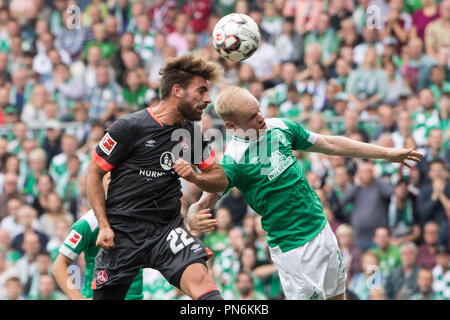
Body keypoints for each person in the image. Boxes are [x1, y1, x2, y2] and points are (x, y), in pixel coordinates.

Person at [188, 85, 424, 300]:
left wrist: (387, 153)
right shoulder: (233, 160)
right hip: (292, 249)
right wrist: (192, 214)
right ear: (230, 126)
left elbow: (331, 144)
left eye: (258, 109)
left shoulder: (280, 127)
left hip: (322, 231)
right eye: (252, 117)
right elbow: (204, 201)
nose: (261, 118)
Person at [85, 54, 228, 300]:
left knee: (205, 286)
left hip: (166, 230)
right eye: (202, 90)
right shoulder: (129, 126)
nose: (207, 99)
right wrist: (104, 226)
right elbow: (93, 174)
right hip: (122, 232)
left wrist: (195, 178)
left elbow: (220, 179)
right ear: (177, 90)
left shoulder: (189, 133)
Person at [52, 172, 144, 300]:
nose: (117, 182)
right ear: (101, 184)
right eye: (111, 178)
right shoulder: (87, 224)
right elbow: (59, 265)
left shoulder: (143, 217)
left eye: (123, 177)